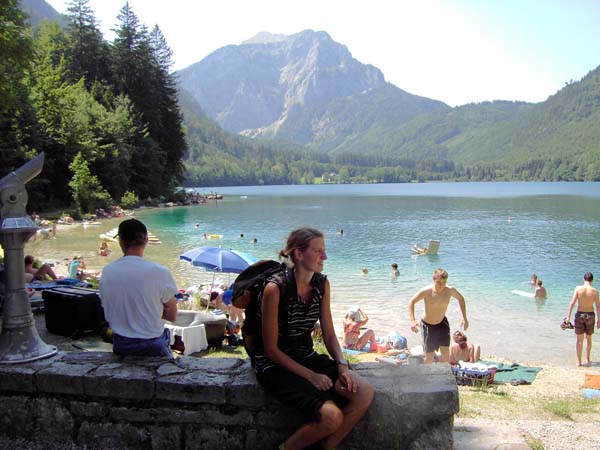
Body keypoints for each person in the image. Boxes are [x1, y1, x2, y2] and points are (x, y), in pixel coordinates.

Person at [255, 227, 373, 450]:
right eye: (318, 251)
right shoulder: (276, 289)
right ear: (299, 254)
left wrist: (342, 366)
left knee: (364, 391)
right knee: (332, 417)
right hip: (275, 365)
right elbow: (270, 350)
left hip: (306, 356)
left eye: (324, 251)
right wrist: (311, 376)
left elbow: (328, 333)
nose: (325, 257)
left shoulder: (321, 284)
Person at [99, 218, 178, 357]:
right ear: (146, 240)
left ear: (120, 241)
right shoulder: (159, 272)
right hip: (152, 345)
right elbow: (172, 315)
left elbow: (107, 308)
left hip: (121, 345)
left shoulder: (107, 271)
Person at [408, 268, 469, 364]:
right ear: (434, 280)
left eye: (444, 282)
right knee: (429, 357)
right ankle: (426, 376)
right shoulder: (427, 291)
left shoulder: (450, 290)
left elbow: (461, 299)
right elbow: (411, 302)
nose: (442, 285)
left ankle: (440, 375)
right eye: (439, 282)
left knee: (445, 355)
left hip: (442, 323)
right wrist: (412, 320)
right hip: (428, 326)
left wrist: (464, 318)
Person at [566, 272, 600, 367]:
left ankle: (578, 361)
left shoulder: (578, 289)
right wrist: (599, 320)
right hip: (590, 315)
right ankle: (588, 359)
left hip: (580, 315)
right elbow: (598, 307)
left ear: (583, 279)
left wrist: (568, 316)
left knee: (579, 340)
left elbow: (572, 303)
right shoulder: (595, 291)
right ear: (592, 280)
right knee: (589, 339)